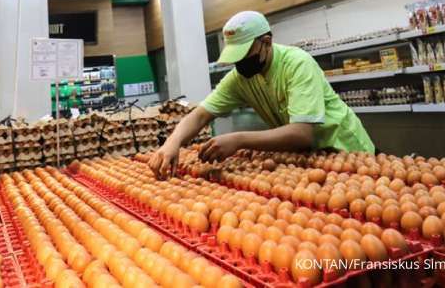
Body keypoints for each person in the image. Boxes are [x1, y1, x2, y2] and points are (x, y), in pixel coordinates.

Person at [149, 11, 374, 179]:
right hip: (311, 157)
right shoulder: (240, 78)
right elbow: (199, 116)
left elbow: (302, 133)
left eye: (245, 54)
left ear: (267, 42)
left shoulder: (297, 64)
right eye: (236, 57)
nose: (240, 63)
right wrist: (172, 142)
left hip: (346, 150)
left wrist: (238, 140)